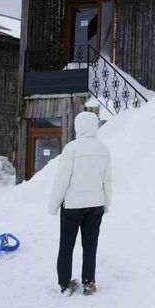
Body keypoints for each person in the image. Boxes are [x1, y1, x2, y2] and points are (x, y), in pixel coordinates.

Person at [48, 111, 112, 296]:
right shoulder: (103, 149)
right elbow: (107, 180)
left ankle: (65, 284)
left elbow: (62, 180)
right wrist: (106, 204)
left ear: (78, 126)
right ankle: (89, 283)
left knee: (66, 246)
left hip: (73, 206)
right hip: (96, 205)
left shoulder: (72, 148)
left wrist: (53, 206)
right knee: (90, 246)